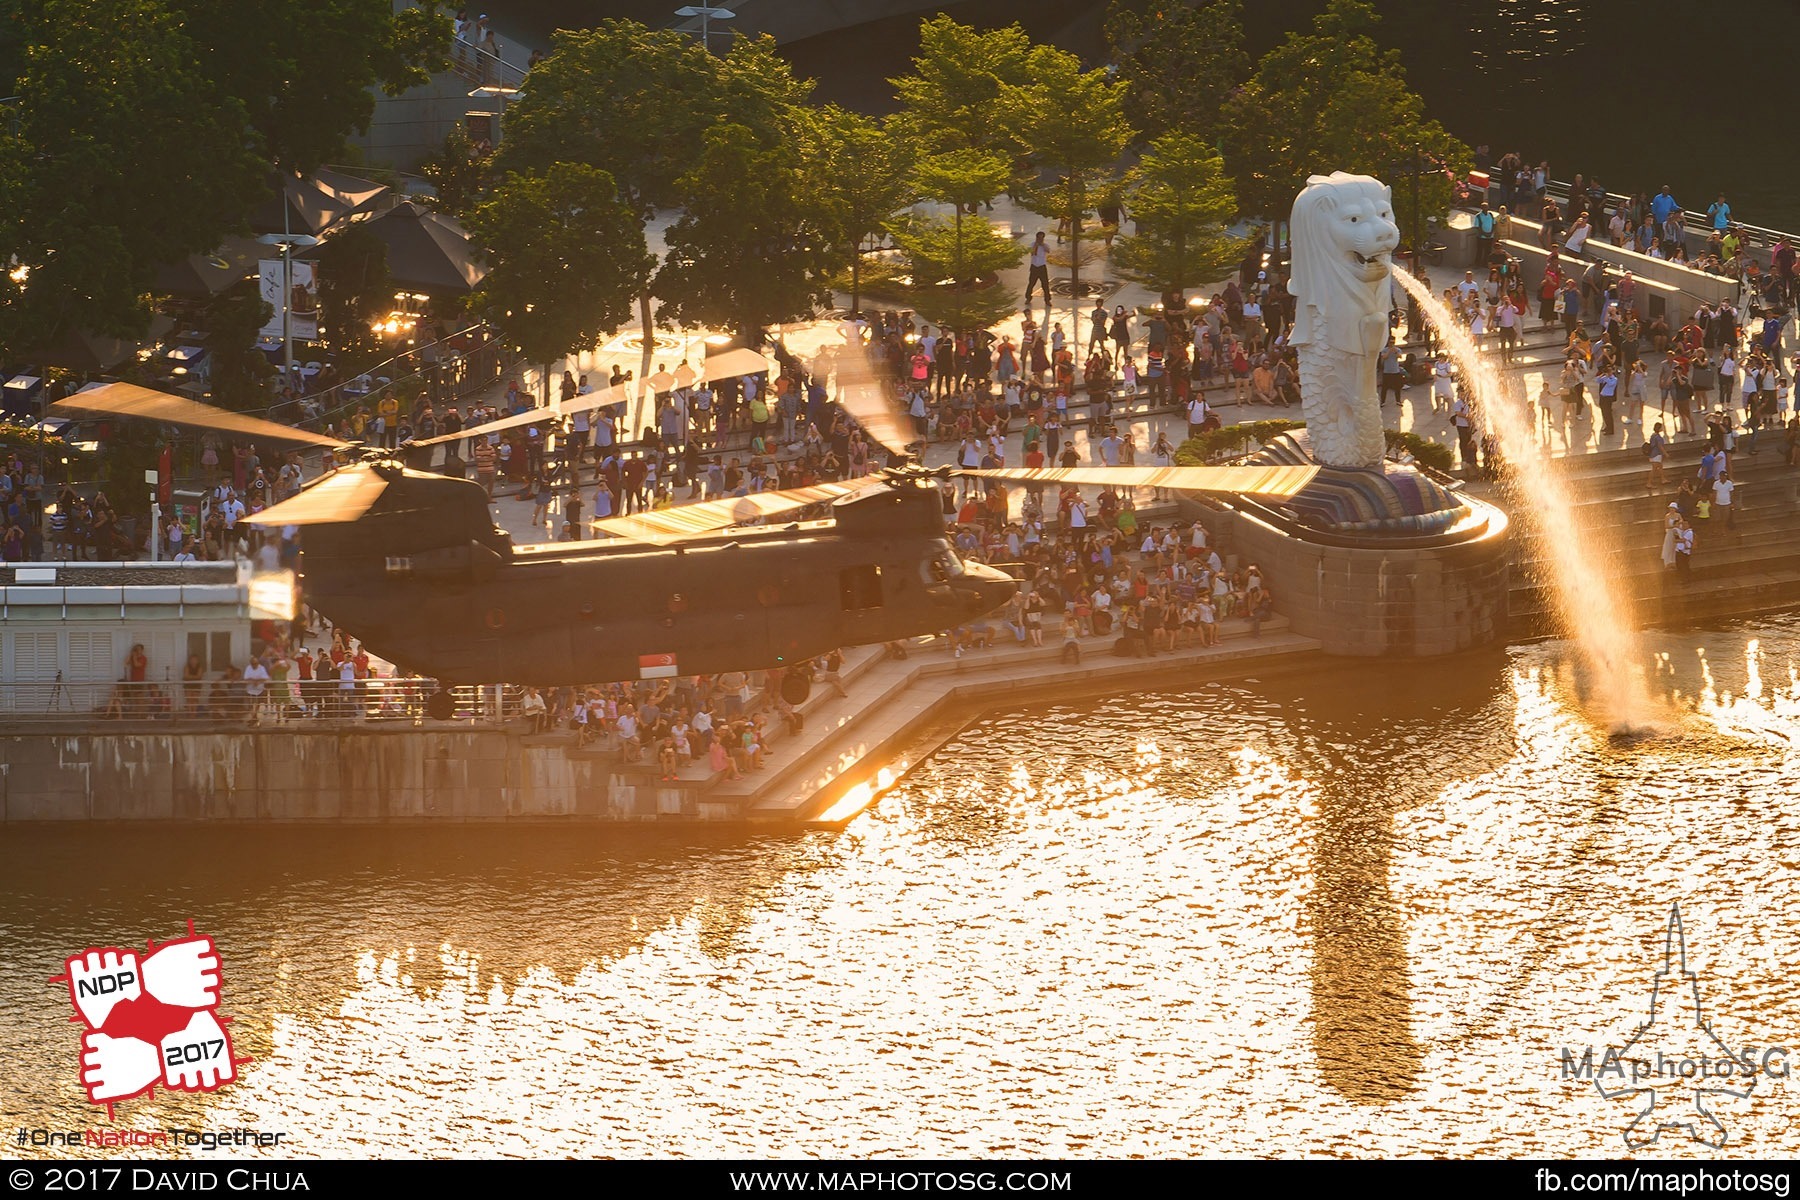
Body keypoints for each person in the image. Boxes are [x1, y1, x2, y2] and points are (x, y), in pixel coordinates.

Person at [1025, 231, 1052, 308]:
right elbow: (1032, 253)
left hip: (1042, 267)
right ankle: (1028, 298)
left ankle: (1047, 300)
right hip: (1034, 266)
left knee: (1045, 284)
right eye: (1039, 238)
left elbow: (1048, 251)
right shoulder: (1032, 244)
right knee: (1031, 283)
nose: (1040, 239)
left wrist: (1042, 245)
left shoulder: (1045, 245)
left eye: (1042, 238)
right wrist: (1036, 246)